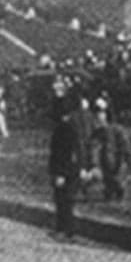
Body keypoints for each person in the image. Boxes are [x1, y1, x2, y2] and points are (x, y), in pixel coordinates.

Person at [48, 82, 85, 240]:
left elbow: (62, 153)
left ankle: (65, 230)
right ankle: (65, 229)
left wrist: (60, 173)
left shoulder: (63, 129)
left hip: (65, 169)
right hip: (73, 168)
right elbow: (78, 150)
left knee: (63, 200)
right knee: (67, 200)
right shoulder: (73, 127)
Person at [90, 96, 130, 200]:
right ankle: (110, 192)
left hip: (115, 158)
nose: (98, 116)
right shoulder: (99, 131)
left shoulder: (117, 130)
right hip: (105, 158)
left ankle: (117, 191)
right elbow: (93, 145)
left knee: (117, 176)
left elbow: (124, 147)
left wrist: (124, 156)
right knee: (108, 177)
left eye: (101, 113)